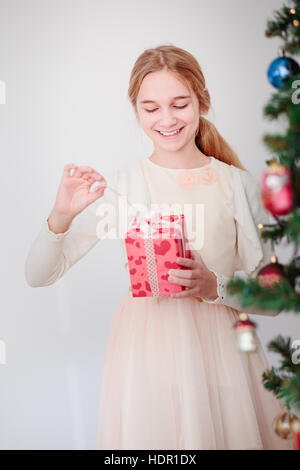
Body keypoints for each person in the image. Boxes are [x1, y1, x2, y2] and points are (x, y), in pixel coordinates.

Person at [24, 45, 294, 450]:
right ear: (136, 111)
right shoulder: (123, 186)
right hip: (145, 359)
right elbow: (38, 275)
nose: (166, 119)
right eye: (151, 108)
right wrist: (61, 215)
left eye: (179, 104)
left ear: (202, 102)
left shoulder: (235, 184)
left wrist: (214, 287)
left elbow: (274, 298)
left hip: (221, 356)